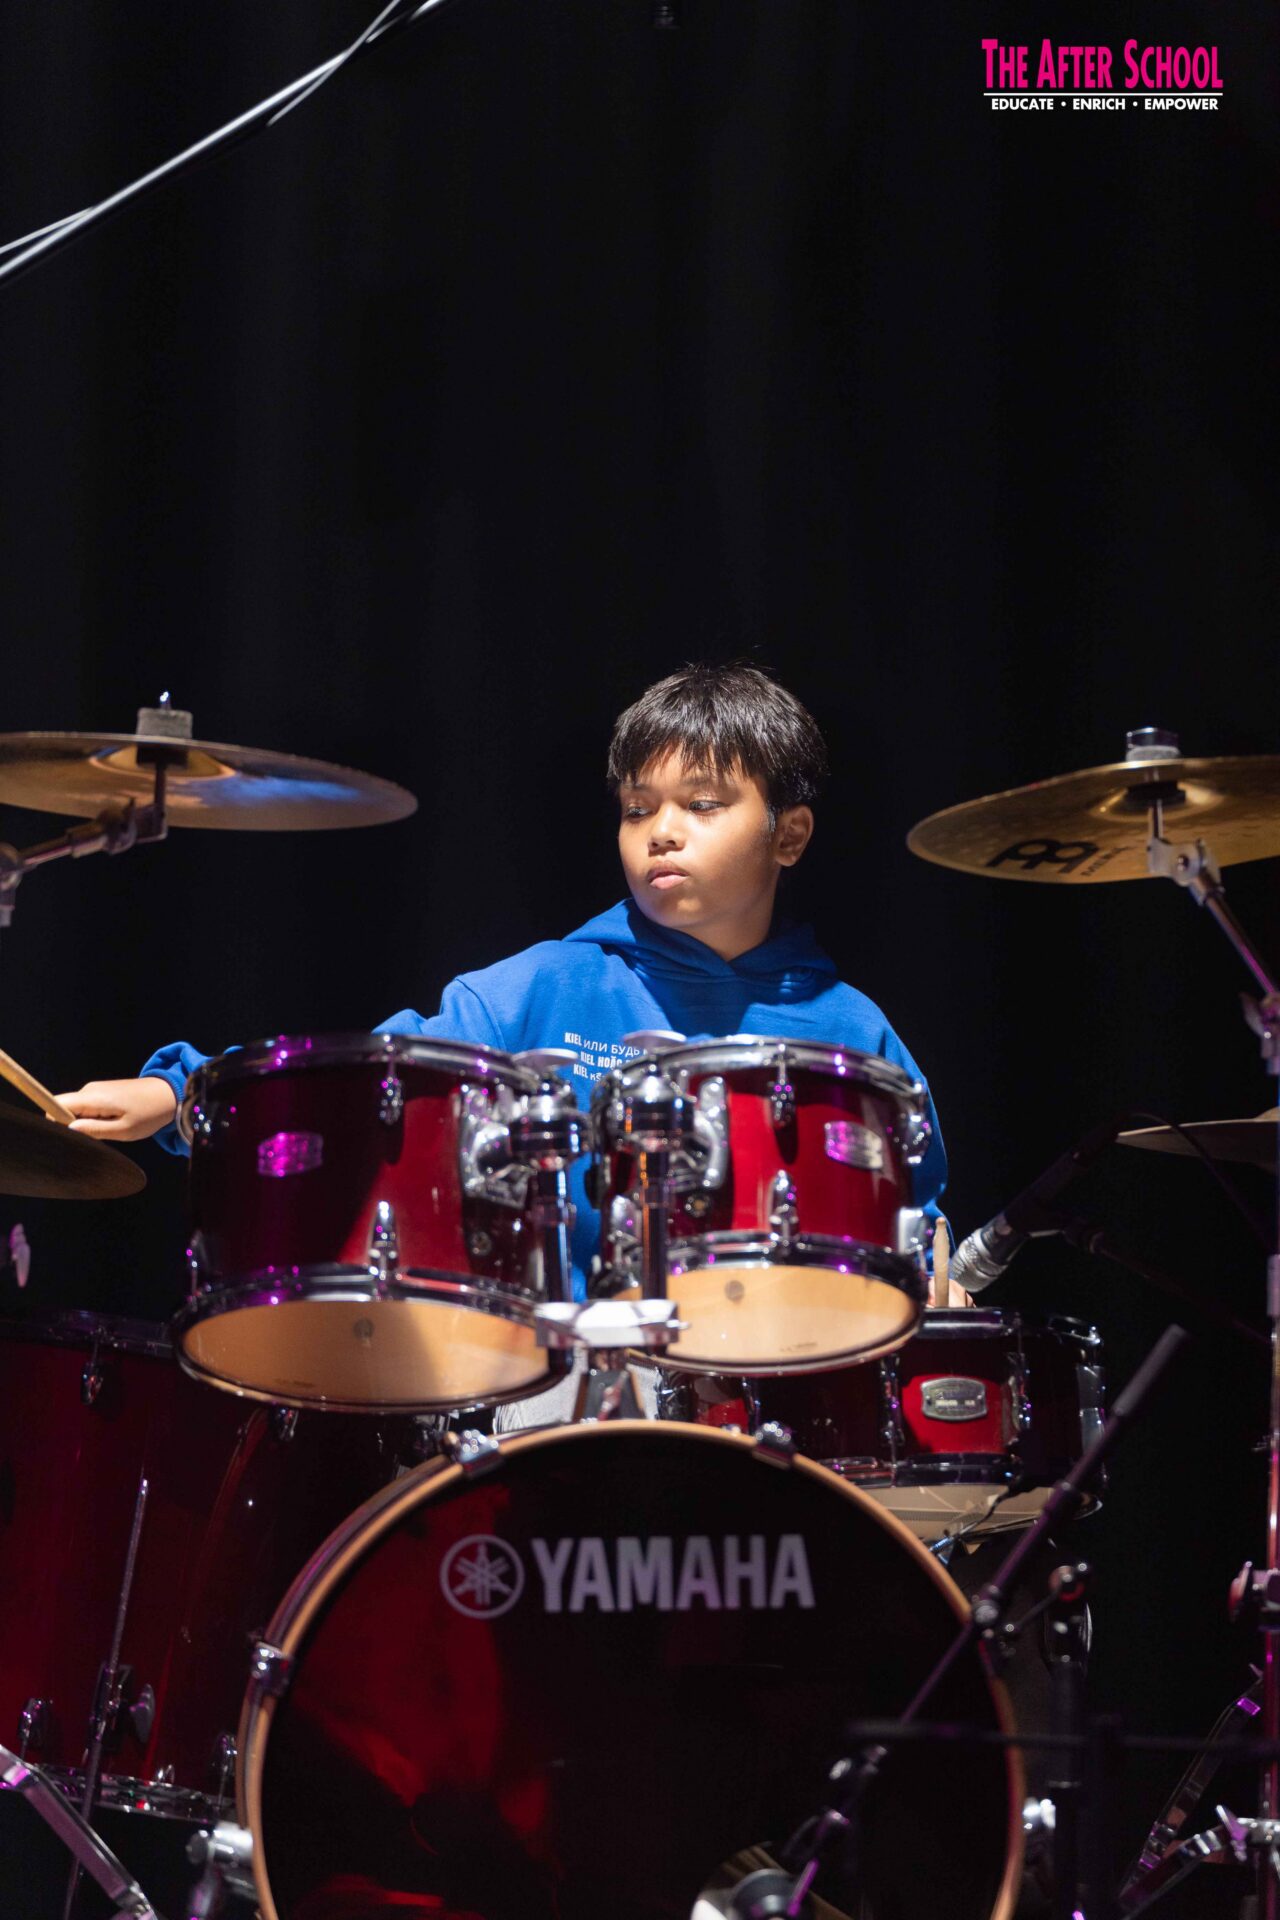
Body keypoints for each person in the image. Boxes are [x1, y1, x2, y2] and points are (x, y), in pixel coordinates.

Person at [58, 661, 949, 1293]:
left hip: (787, 1401)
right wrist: (183, 1092)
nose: (662, 832)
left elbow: (917, 1218)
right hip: (562, 1388)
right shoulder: (540, 990)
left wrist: (937, 1272)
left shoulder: (852, 1032)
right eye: (638, 808)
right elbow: (361, 1085)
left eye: (703, 805)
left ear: (789, 835)